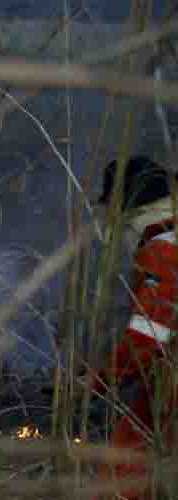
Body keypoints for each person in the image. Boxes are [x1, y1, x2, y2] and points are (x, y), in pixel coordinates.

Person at [91, 155, 177, 500]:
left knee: (123, 473)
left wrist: (97, 383)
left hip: (168, 385)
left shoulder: (163, 249)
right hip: (162, 379)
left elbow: (147, 338)